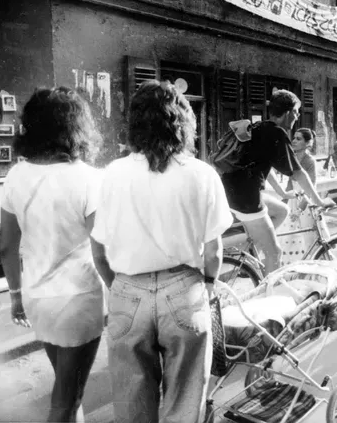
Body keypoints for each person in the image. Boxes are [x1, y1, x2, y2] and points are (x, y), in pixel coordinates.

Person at [89, 81, 232, 423]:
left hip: (127, 290)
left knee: (131, 400)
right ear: (184, 123)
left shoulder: (112, 175)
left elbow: (97, 249)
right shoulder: (201, 174)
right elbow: (213, 250)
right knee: (185, 397)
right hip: (184, 290)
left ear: (135, 124)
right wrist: (208, 284)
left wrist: (120, 286)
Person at [0, 87, 104, 422]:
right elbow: (102, 249)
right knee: (66, 399)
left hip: (37, 298)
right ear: (76, 128)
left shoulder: (16, 175)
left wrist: (15, 296)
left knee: (68, 391)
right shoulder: (88, 179)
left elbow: (6, 245)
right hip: (79, 299)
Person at [220, 89, 333, 274]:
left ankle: (252, 248)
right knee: (275, 253)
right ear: (288, 113)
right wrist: (319, 201)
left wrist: (282, 193)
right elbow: (299, 174)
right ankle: (267, 295)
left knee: (282, 210)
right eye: (296, 113)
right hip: (246, 199)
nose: (297, 118)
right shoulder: (277, 134)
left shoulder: (259, 127)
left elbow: (267, 168)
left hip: (233, 191)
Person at [280, 128, 319, 264]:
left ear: (308, 143)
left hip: (305, 204)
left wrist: (300, 209)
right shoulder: (292, 158)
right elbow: (290, 185)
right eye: (294, 138)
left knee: (307, 240)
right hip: (293, 201)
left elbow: (310, 188)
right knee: (288, 239)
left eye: (299, 139)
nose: (294, 141)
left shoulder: (310, 161)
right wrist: (284, 202)